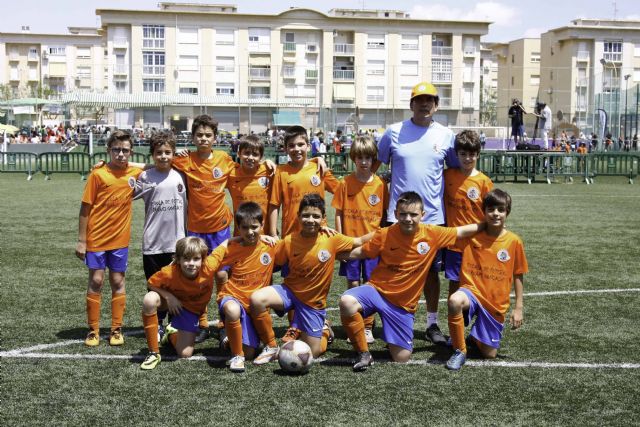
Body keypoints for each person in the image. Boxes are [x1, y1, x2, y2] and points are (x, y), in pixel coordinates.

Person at [338, 191, 484, 371]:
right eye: (403, 214)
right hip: (376, 291)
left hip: (402, 306)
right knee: (347, 301)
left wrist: (489, 224)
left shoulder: (433, 233)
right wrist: (331, 254)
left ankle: (391, 331)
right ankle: (363, 353)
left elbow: (461, 231)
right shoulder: (385, 234)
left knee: (401, 357)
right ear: (396, 214)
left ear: (423, 215)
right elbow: (361, 252)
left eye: (413, 214)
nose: (408, 218)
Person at [377, 81, 459, 346]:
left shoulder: (446, 135)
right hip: (397, 216)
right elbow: (370, 163)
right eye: (419, 100)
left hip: (432, 218)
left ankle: (432, 323)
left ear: (436, 105)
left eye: (429, 100)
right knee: (394, 269)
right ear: (411, 104)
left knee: (431, 273)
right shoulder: (394, 132)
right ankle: (395, 318)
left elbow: (458, 171)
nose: (424, 104)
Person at [250, 194, 372, 362]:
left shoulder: (331, 238)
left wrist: (385, 231)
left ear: (323, 219)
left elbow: (358, 241)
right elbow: (274, 259)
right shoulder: (289, 240)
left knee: (313, 352)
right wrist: (260, 237)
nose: (310, 220)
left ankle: (325, 330)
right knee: (257, 299)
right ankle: (271, 346)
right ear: (298, 217)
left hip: (313, 304)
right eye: (306, 215)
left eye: (316, 216)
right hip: (290, 292)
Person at [267, 125, 339, 342]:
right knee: (293, 284)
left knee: (316, 284)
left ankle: (321, 322)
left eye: (300, 144)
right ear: (285, 148)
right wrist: (273, 233)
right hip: (292, 239)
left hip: (319, 239)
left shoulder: (319, 169)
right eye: (291, 146)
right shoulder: (281, 172)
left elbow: (342, 190)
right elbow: (273, 205)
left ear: (308, 145)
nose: (296, 149)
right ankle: (294, 326)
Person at [445, 189, 528, 371]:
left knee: (489, 354)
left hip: (495, 303)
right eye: (491, 209)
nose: (495, 214)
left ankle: (476, 337)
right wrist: (477, 226)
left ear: (507, 212)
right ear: (484, 211)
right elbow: (449, 234)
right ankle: (459, 350)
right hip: (471, 292)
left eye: (501, 210)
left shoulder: (514, 241)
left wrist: (518, 308)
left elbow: (518, 274)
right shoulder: (471, 236)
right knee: (454, 300)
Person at [75, 130, 143, 347]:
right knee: (96, 281)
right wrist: (81, 241)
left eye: (125, 150)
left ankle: (116, 329)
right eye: (116, 150)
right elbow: (85, 208)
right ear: (109, 151)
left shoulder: (134, 172)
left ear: (131, 152)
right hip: (96, 238)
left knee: (117, 281)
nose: (121, 154)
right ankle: (93, 330)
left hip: (120, 240)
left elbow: (156, 166)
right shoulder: (98, 174)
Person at [140, 236, 228, 370]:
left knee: (185, 354)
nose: (191, 263)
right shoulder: (169, 272)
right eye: (186, 258)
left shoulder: (209, 265)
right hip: (174, 305)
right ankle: (153, 352)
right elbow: (151, 283)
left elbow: (227, 243)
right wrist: (169, 297)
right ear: (178, 259)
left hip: (191, 310)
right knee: (149, 299)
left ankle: (170, 335)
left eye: (196, 259)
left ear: (203, 259)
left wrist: (262, 237)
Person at [332, 135, 389, 343]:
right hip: (351, 245)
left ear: (373, 159)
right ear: (352, 159)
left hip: (373, 246)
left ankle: (367, 326)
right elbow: (338, 213)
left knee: (371, 284)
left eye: (368, 158)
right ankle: (354, 324)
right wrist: (340, 240)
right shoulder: (345, 183)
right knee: (353, 282)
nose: (364, 162)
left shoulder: (380, 184)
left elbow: (383, 216)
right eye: (359, 158)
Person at [133, 131, 187, 339]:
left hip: (176, 243)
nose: (163, 156)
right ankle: (158, 324)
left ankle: (175, 324)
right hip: (153, 243)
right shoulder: (145, 177)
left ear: (173, 153)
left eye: (168, 152)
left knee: (177, 286)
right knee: (154, 285)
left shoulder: (180, 175)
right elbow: (126, 193)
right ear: (152, 154)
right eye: (159, 152)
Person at [215, 202, 278, 372]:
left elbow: (295, 247)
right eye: (245, 228)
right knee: (233, 310)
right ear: (238, 228)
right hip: (233, 298)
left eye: (254, 227)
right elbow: (211, 265)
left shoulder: (271, 246)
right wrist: (229, 241)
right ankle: (237, 356)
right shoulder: (231, 248)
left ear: (262, 225)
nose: (250, 232)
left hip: (254, 306)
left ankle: (230, 336)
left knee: (250, 352)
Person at [443, 130, 493, 295]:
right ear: (456, 154)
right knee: (455, 284)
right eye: (463, 154)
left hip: (477, 244)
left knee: (477, 283)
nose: (467, 158)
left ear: (478, 154)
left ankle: (476, 317)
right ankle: (454, 320)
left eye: (472, 154)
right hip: (454, 244)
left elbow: (490, 214)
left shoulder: (484, 182)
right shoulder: (447, 176)